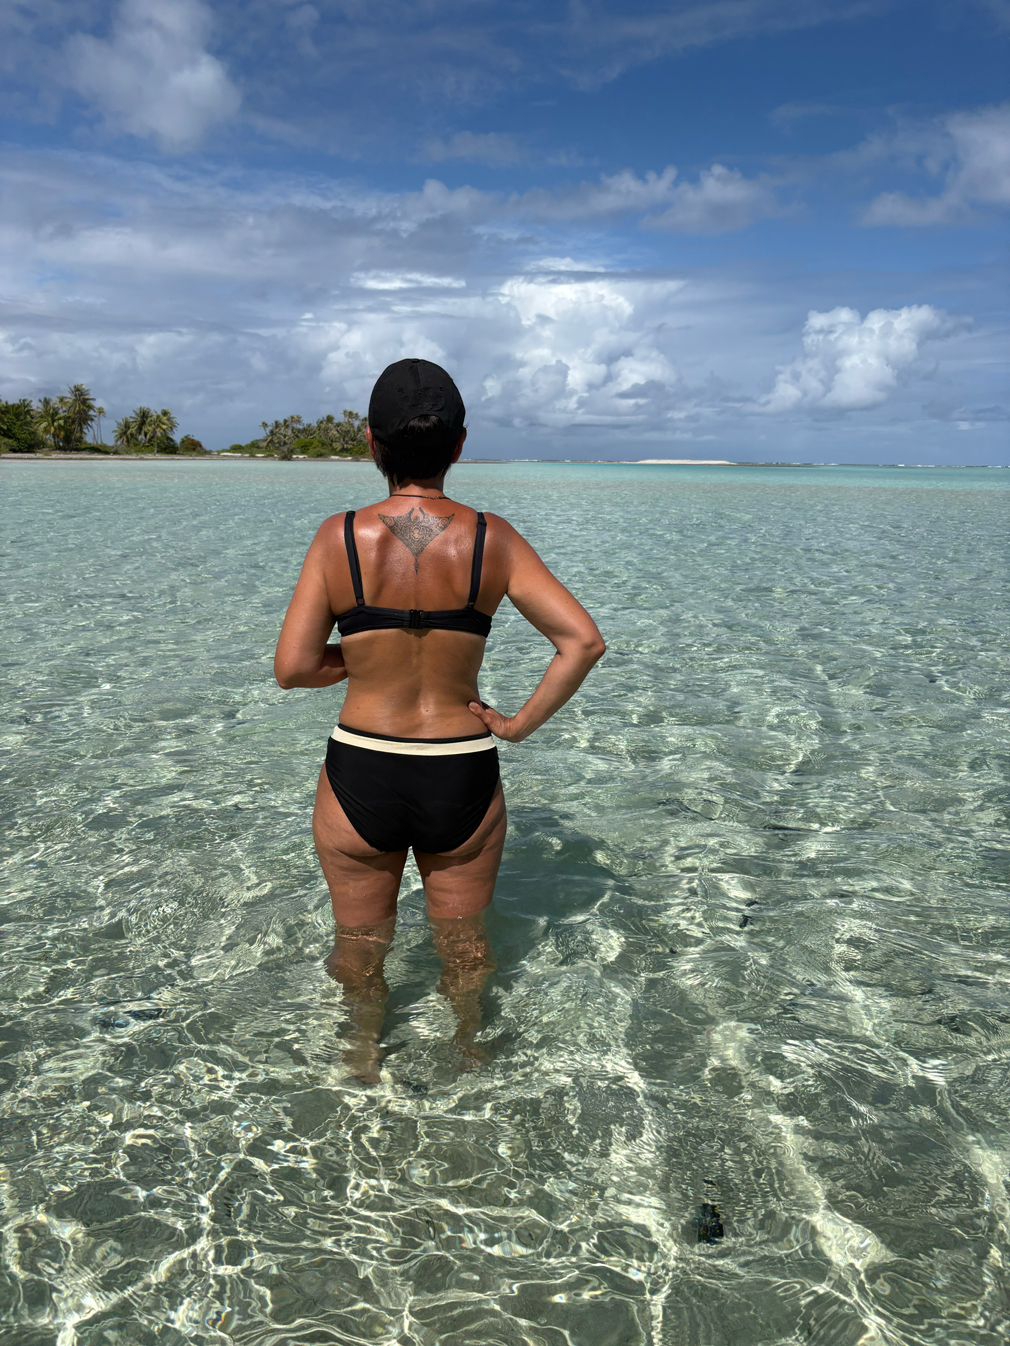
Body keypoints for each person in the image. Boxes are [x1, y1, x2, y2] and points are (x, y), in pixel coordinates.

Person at [274, 359, 605, 1077]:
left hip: (362, 766)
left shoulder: (339, 537)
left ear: (371, 442)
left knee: (359, 944)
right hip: (461, 768)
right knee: (465, 944)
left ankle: (363, 1054)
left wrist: (366, 656)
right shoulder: (493, 538)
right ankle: (468, 1049)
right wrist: (517, 725)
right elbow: (582, 643)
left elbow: (293, 668)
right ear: (458, 444)